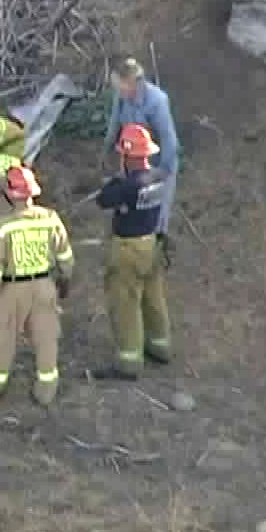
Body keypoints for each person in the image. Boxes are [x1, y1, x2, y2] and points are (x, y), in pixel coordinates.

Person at [0, 166, 75, 406]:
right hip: (44, 286)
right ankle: (47, 391)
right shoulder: (51, 219)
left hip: (11, 291)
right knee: (46, 339)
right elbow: (66, 257)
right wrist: (64, 281)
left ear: (10, 194)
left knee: (1, 339)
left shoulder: (6, 226)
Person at [95, 123, 171, 377]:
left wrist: (118, 178)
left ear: (126, 155)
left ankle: (129, 361)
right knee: (153, 297)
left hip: (128, 248)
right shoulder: (160, 176)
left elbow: (103, 199)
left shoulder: (127, 185)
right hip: (152, 243)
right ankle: (160, 346)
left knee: (125, 302)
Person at [102, 55, 180, 246]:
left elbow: (170, 141)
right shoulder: (121, 97)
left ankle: (158, 242)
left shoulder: (157, 101)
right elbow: (115, 124)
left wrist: (160, 172)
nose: (119, 91)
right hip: (131, 156)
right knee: (131, 201)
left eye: (121, 86)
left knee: (155, 209)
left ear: (134, 82)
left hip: (156, 159)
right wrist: (106, 149)